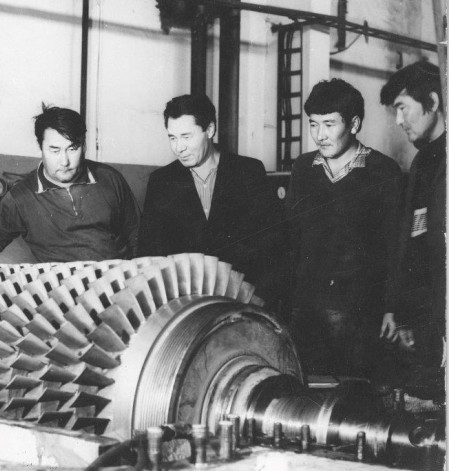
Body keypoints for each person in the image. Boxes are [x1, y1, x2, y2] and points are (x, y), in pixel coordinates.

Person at [285, 79, 402, 378]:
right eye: (313, 124)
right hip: (307, 311)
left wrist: (393, 308)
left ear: (354, 124)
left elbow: (396, 248)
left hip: (360, 314)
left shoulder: (383, 171)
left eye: (329, 124)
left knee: (355, 390)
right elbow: (290, 240)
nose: (319, 135)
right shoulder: (303, 168)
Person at [0, 105, 140, 266]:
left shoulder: (109, 179)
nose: (64, 161)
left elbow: (137, 234)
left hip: (119, 282)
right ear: (40, 148)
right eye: (54, 150)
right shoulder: (22, 196)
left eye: (72, 149)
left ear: (84, 146)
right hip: (65, 291)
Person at [138, 94, 281, 300]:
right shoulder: (161, 182)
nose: (179, 147)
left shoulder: (248, 172)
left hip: (242, 299)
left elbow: (272, 246)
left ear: (210, 130)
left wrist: (259, 300)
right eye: (172, 138)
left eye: (186, 137)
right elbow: (149, 254)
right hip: (185, 301)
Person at [380, 61, 446, 390]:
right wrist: (398, 310)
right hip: (425, 319)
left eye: (403, 107)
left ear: (432, 102)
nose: (399, 121)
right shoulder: (422, 162)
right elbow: (410, 240)